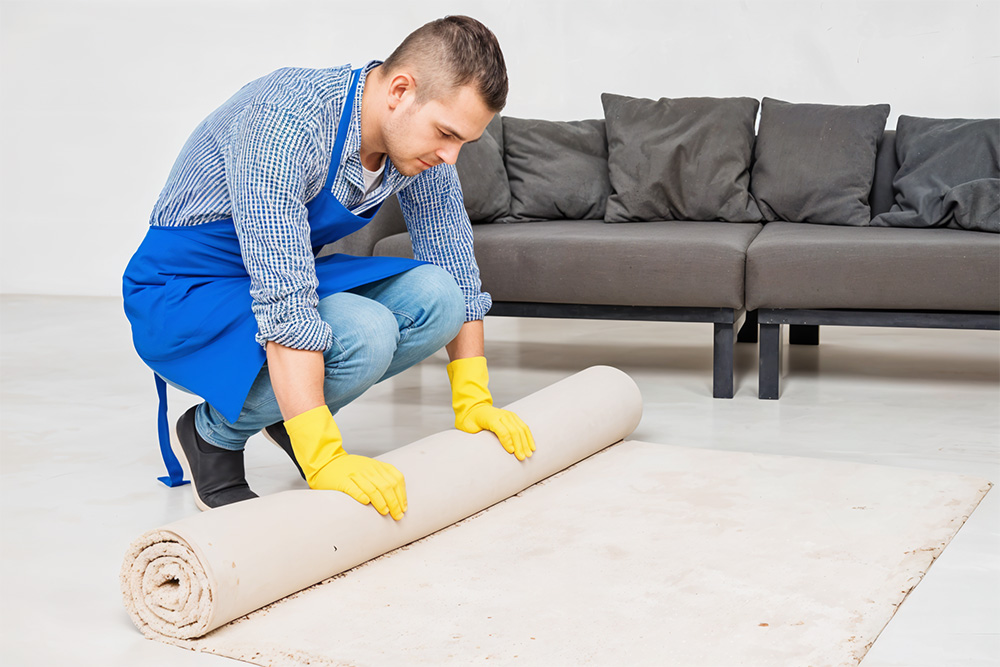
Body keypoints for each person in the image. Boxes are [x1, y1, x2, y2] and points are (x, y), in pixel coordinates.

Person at [122, 15, 534, 518]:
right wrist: (325, 459)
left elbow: (455, 262)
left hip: (272, 273)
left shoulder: (415, 148)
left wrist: (475, 401)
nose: (450, 157)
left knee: (439, 295)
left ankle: (289, 416)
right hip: (182, 295)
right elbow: (285, 297)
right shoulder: (285, 122)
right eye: (446, 134)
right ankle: (212, 434)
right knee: (365, 330)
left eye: (462, 144)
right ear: (400, 91)